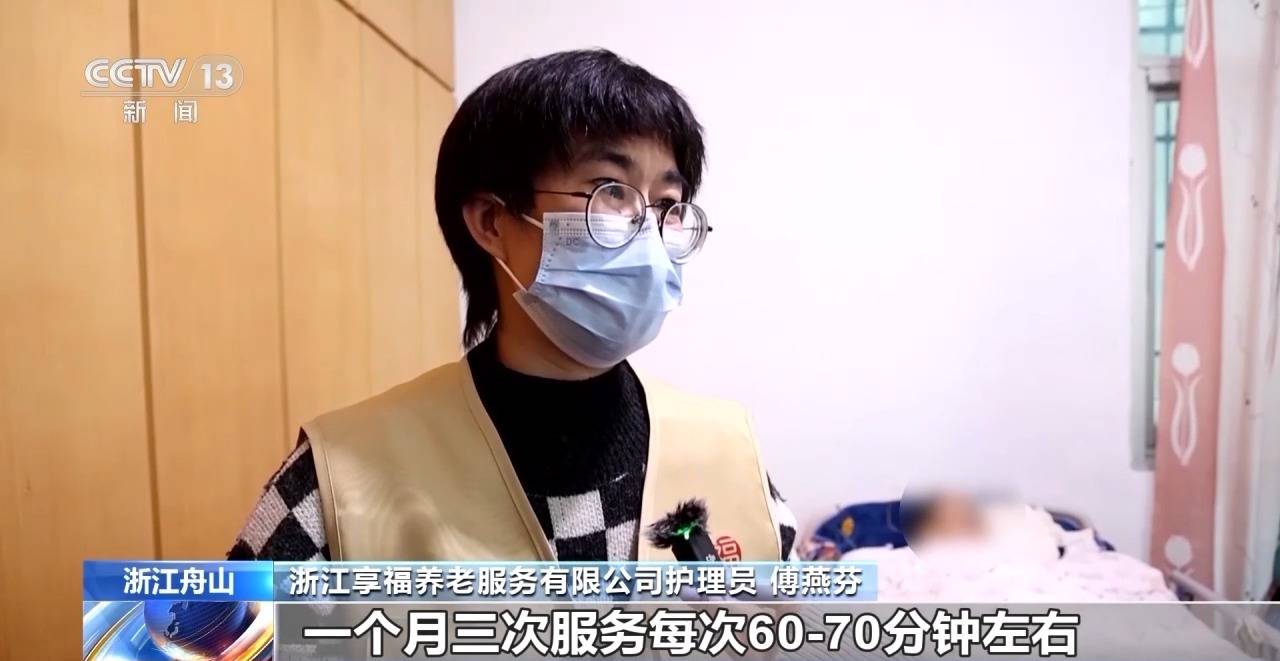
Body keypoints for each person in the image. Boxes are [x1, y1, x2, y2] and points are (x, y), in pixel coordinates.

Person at [229, 49, 796, 563]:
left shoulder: (730, 450)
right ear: (492, 222)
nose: (647, 233)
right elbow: (217, 631)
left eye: (667, 203)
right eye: (610, 190)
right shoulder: (338, 481)